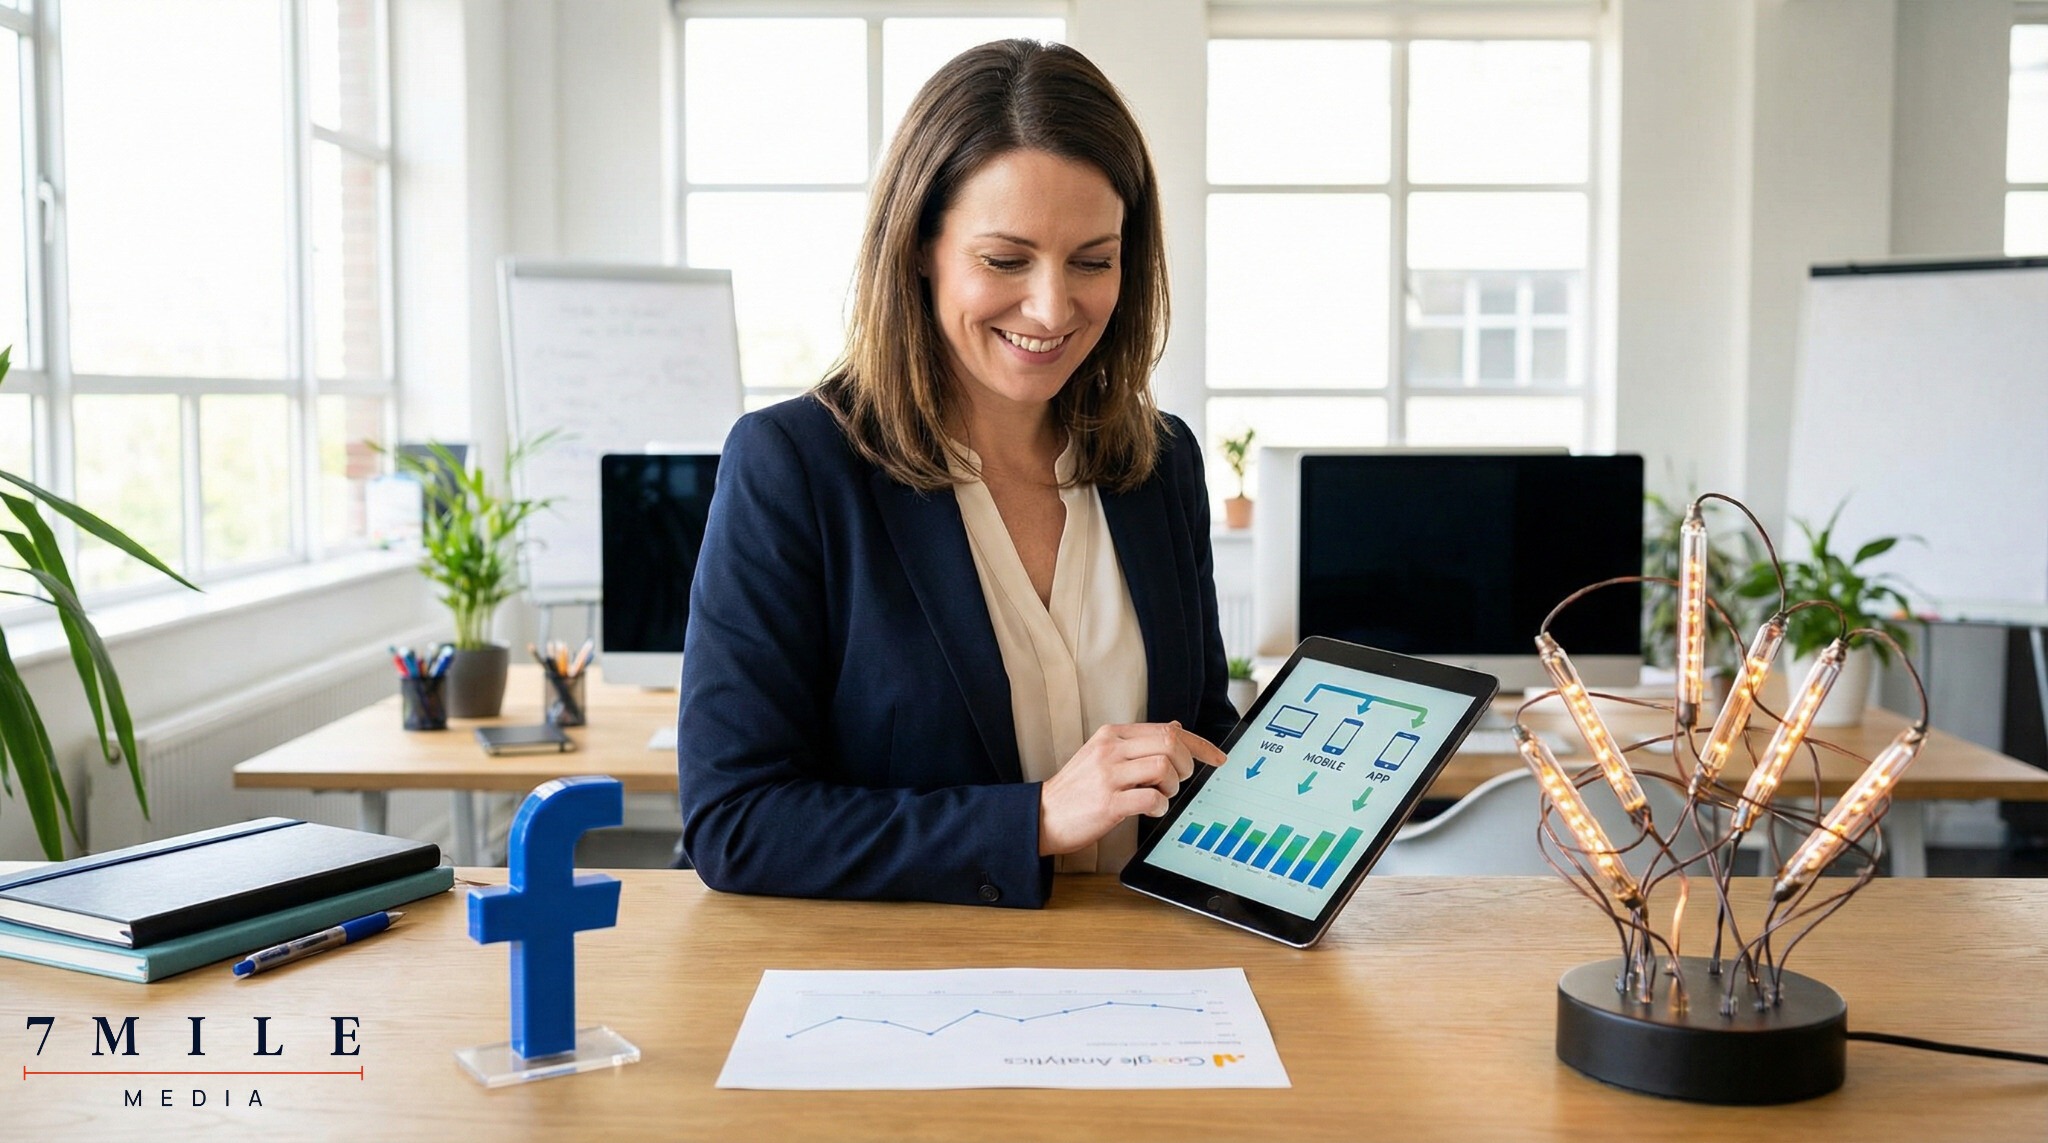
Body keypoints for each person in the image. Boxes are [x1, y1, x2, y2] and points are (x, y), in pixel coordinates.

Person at [676, 39, 1236, 908]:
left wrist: (1300, 790)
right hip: (908, 994)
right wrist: (1037, 819)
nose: (1053, 308)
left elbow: (1197, 737)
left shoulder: (1160, 463)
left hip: (1151, 986)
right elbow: (737, 821)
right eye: (1005, 260)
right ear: (919, 251)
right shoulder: (794, 466)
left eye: (1093, 260)